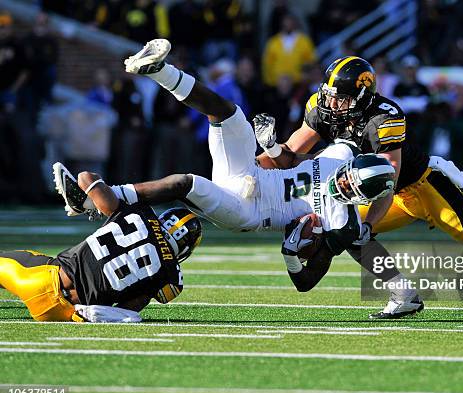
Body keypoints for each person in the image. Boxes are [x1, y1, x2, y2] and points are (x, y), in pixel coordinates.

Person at [56, 39, 423, 318]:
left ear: (357, 191)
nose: (343, 182)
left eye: (350, 187)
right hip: (252, 175)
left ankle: (104, 200)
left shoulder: (339, 214)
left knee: (187, 184)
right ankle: (161, 72)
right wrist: (271, 148)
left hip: (250, 211)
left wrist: (293, 254)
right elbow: (290, 158)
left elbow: (305, 283)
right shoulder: (341, 151)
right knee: (230, 116)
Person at [255, 55, 463, 319]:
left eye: (339, 98)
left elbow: (388, 178)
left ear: (361, 97)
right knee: (349, 232)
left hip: (420, 186)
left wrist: (369, 224)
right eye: (329, 94)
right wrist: (267, 151)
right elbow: (291, 156)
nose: (330, 103)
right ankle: (404, 294)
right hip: (379, 189)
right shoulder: (322, 107)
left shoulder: (384, 117)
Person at [1, 164, 202, 322]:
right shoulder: (172, 278)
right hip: (68, 314)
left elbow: (85, 177)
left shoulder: (139, 213)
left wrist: (94, 203)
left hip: (43, 280)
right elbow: (129, 307)